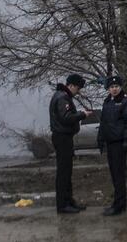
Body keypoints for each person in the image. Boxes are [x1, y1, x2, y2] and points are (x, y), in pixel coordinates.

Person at [49, 73, 93, 213]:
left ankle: (69, 201)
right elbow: (66, 118)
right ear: (71, 85)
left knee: (67, 172)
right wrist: (82, 115)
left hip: (64, 137)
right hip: (62, 138)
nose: (78, 91)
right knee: (64, 172)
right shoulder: (63, 98)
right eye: (78, 88)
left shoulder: (62, 96)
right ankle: (63, 205)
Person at [97, 75, 127, 216]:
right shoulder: (107, 102)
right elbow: (103, 123)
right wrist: (100, 140)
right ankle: (120, 203)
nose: (114, 89)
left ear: (120, 88)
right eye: (111, 87)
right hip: (110, 143)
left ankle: (118, 205)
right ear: (108, 89)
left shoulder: (126, 102)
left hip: (120, 143)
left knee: (119, 175)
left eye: (116, 87)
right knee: (114, 174)